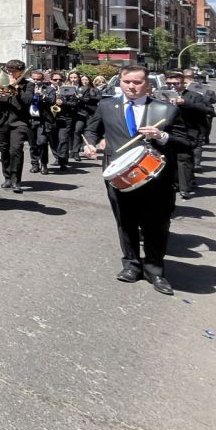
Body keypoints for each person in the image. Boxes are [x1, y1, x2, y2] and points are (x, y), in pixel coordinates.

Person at [82, 63, 190, 295]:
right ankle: (131, 264)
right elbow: (92, 130)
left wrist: (161, 135)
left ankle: (154, 268)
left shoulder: (165, 110)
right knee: (126, 221)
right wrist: (89, 144)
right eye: (127, 81)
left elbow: (185, 142)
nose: (131, 86)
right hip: (119, 174)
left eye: (137, 82)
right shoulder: (107, 105)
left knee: (157, 224)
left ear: (147, 84)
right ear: (120, 82)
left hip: (156, 177)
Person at [164, 71, 213, 199]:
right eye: (169, 83)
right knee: (170, 159)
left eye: (176, 83)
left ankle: (185, 188)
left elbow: (208, 110)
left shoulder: (194, 96)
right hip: (169, 131)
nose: (172, 86)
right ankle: (177, 183)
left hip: (188, 132)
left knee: (184, 158)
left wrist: (184, 103)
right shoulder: (162, 95)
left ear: (183, 83)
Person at [0, 59, 29, 194]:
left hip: (19, 122)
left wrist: (17, 91)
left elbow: (27, 102)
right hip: (1, 121)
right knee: (4, 150)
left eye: (14, 71)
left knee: (16, 150)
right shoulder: (0, 83)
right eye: (9, 71)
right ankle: (7, 177)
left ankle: (16, 180)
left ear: (21, 72)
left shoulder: (27, 85)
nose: (11, 74)